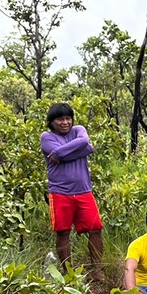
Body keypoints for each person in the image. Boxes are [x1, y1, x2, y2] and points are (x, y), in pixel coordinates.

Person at [40, 103, 104, 282]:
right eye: (60, 119)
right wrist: (84, 150)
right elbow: (85, 146)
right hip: (60, 193)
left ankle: (97, 270)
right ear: (52, 122)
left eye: (68, 118)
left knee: (96, 228)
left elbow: (84, 142)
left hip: (84, 191)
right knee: (63, 232)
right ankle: (68, 272)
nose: (65, 122)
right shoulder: (46, 137)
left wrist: (60, 154)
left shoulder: (78, 130)